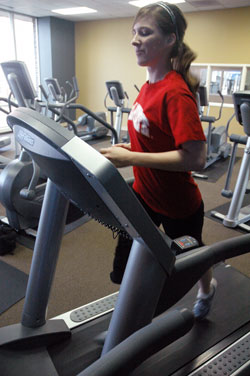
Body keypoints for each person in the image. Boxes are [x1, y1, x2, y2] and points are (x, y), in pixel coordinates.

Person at [100, 1, 217, 321]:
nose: (135, 40)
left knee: (194, 258)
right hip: (144, 193)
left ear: (170, 40)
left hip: (179, 203)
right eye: (134, 32)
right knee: (125, 261)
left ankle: (208, 289)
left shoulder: (174, 93)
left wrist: (132, 156)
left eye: (145, 33)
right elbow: (152, 136)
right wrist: (128, 147)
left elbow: (197, 157)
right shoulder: (147, 87)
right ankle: (129, 310)